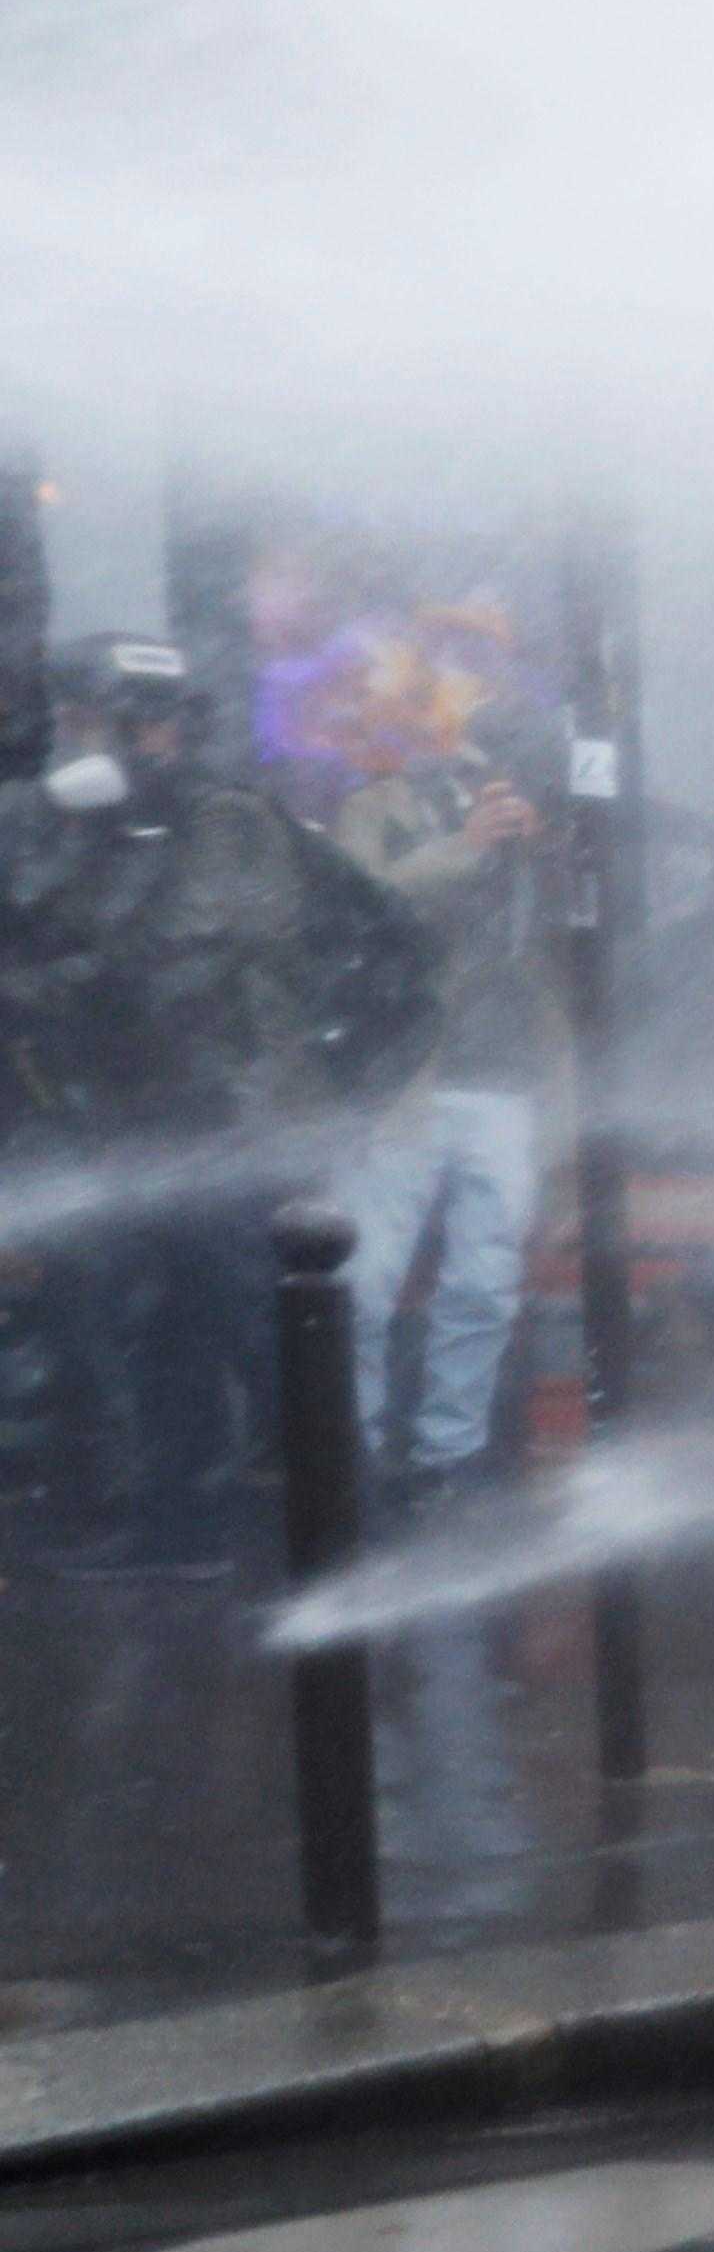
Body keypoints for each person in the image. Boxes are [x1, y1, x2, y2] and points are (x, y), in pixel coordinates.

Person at [11, 635, 436, 1570]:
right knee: (145, 1335)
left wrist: (349, 1094)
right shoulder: (55, 828)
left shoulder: (231, 828)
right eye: (104, 723)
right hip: (115, 1136)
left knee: (270, 1334)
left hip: (236, 1136)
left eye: (150, 722)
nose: (131, 743)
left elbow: (392, 954)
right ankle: (168, 1528)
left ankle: (351, 1536)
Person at [313, 622, 561, 1502]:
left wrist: (546, 847)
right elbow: (357, 905)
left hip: (507, 1084)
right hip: (404, 1084)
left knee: (485, 1285)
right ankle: (355, 1454)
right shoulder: (383, 805)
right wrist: (466, 846)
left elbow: (565, 955)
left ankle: (448, 1455)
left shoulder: (549, 828)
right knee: (366, 1280)